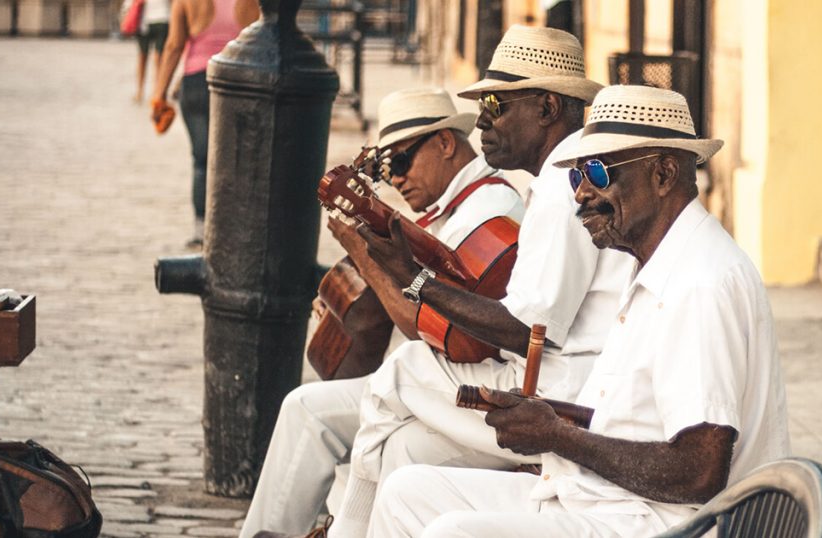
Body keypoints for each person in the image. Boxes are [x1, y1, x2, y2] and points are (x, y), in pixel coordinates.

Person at [368, 85, 791, 537]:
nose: (582, 193)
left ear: (664, 173)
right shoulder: (655, 263)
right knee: (406, 492)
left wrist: (557, 436)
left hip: (666, 523)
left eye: (597, 172)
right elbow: (639, 420)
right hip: (612, 500)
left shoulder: (699, 283)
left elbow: (699, 472)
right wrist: (547, 418)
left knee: (451, 532)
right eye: (575, 177)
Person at [329, 25, 635, 538]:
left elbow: (527, 332)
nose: (484, 122)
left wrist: (417, 280)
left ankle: (343, 530)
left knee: (399, 376)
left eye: (497, 102)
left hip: (560, 395)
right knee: (403, 448)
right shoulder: (561, 176)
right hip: (560, 378)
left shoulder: (567, 183)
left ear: (546, 108)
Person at [240, 88, 526, 538]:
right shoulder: (449, 209)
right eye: (385, 169)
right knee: (307, 409)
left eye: (401, 162)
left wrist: (367, 258)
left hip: (465, 384)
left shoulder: (489, 210)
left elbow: (436, 330)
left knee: (316, 415)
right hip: (433, 379)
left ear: (445, 143)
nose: (395, 180)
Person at [150, 0, 258, 248]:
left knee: (202, 159)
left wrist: (159, 94)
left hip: (198, 81)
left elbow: (174, 45)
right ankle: (235, 226)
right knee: (238, 159)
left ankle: (201, 230)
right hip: (239, 81)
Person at [129, 0, 170, 103]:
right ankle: (142, 90)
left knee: (156, 58)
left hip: (161, 18)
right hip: (146, 21)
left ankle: (155, 91)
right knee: (145, 57)